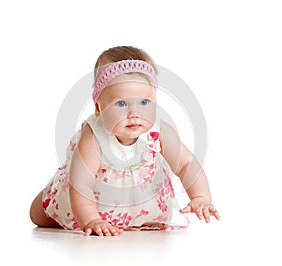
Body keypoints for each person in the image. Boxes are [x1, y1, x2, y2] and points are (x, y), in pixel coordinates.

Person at [30, 46, 220, 236]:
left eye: (144, 102)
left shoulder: (158, 132)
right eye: (121, 104)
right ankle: (51, 201)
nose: (134, 114)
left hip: (140, 206)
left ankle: (132, 220)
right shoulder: (94, 136)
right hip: (87, 205)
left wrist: (200, 197)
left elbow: (186, 164)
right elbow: (81, 183)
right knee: (38, 216)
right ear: (98, 107)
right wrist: (91, 219)